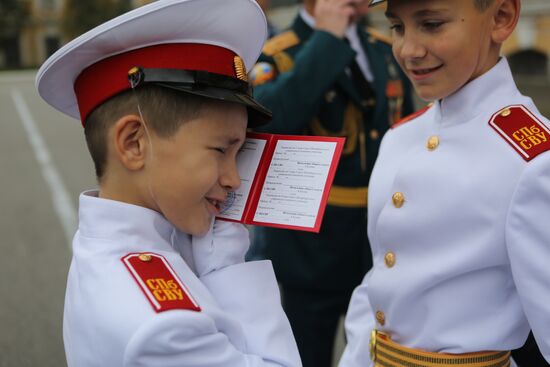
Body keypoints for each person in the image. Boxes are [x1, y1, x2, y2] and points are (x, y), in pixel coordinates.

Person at [35, 1, 302, 366]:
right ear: (134, 143)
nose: (234, 179)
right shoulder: (163, 327)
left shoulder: (123, 242)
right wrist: (226, 264)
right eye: (221, 149)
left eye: (238, 153)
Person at [339, 0, 550, 366]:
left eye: (432, 24)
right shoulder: (401, 137)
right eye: (398, 27)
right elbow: (378, 280)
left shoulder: (532, 158)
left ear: (501, 18)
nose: (408, 50)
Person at [246, 0, 414, 366]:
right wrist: (325, 38)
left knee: (379, 353)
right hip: (311, 244)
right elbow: (267, 122)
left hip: (377, 240)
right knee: (307, 355)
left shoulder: (383, 49)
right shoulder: (279, 52)